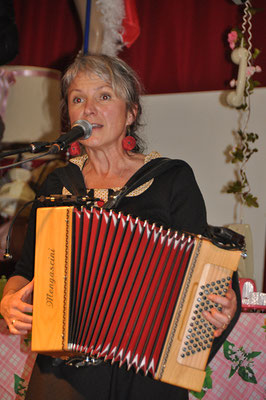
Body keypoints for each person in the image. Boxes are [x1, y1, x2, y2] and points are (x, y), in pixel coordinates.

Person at [0, 54, 240, 400]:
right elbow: (26, 271)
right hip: (61, 374)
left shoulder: (171, 178)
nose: (89, 109)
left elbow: (209, 266)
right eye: (78, 99)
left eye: (105, 96)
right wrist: (9, 301)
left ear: (132, 113)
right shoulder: (57, 184)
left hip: (144, 374)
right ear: (69, 116)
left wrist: (225, 303)